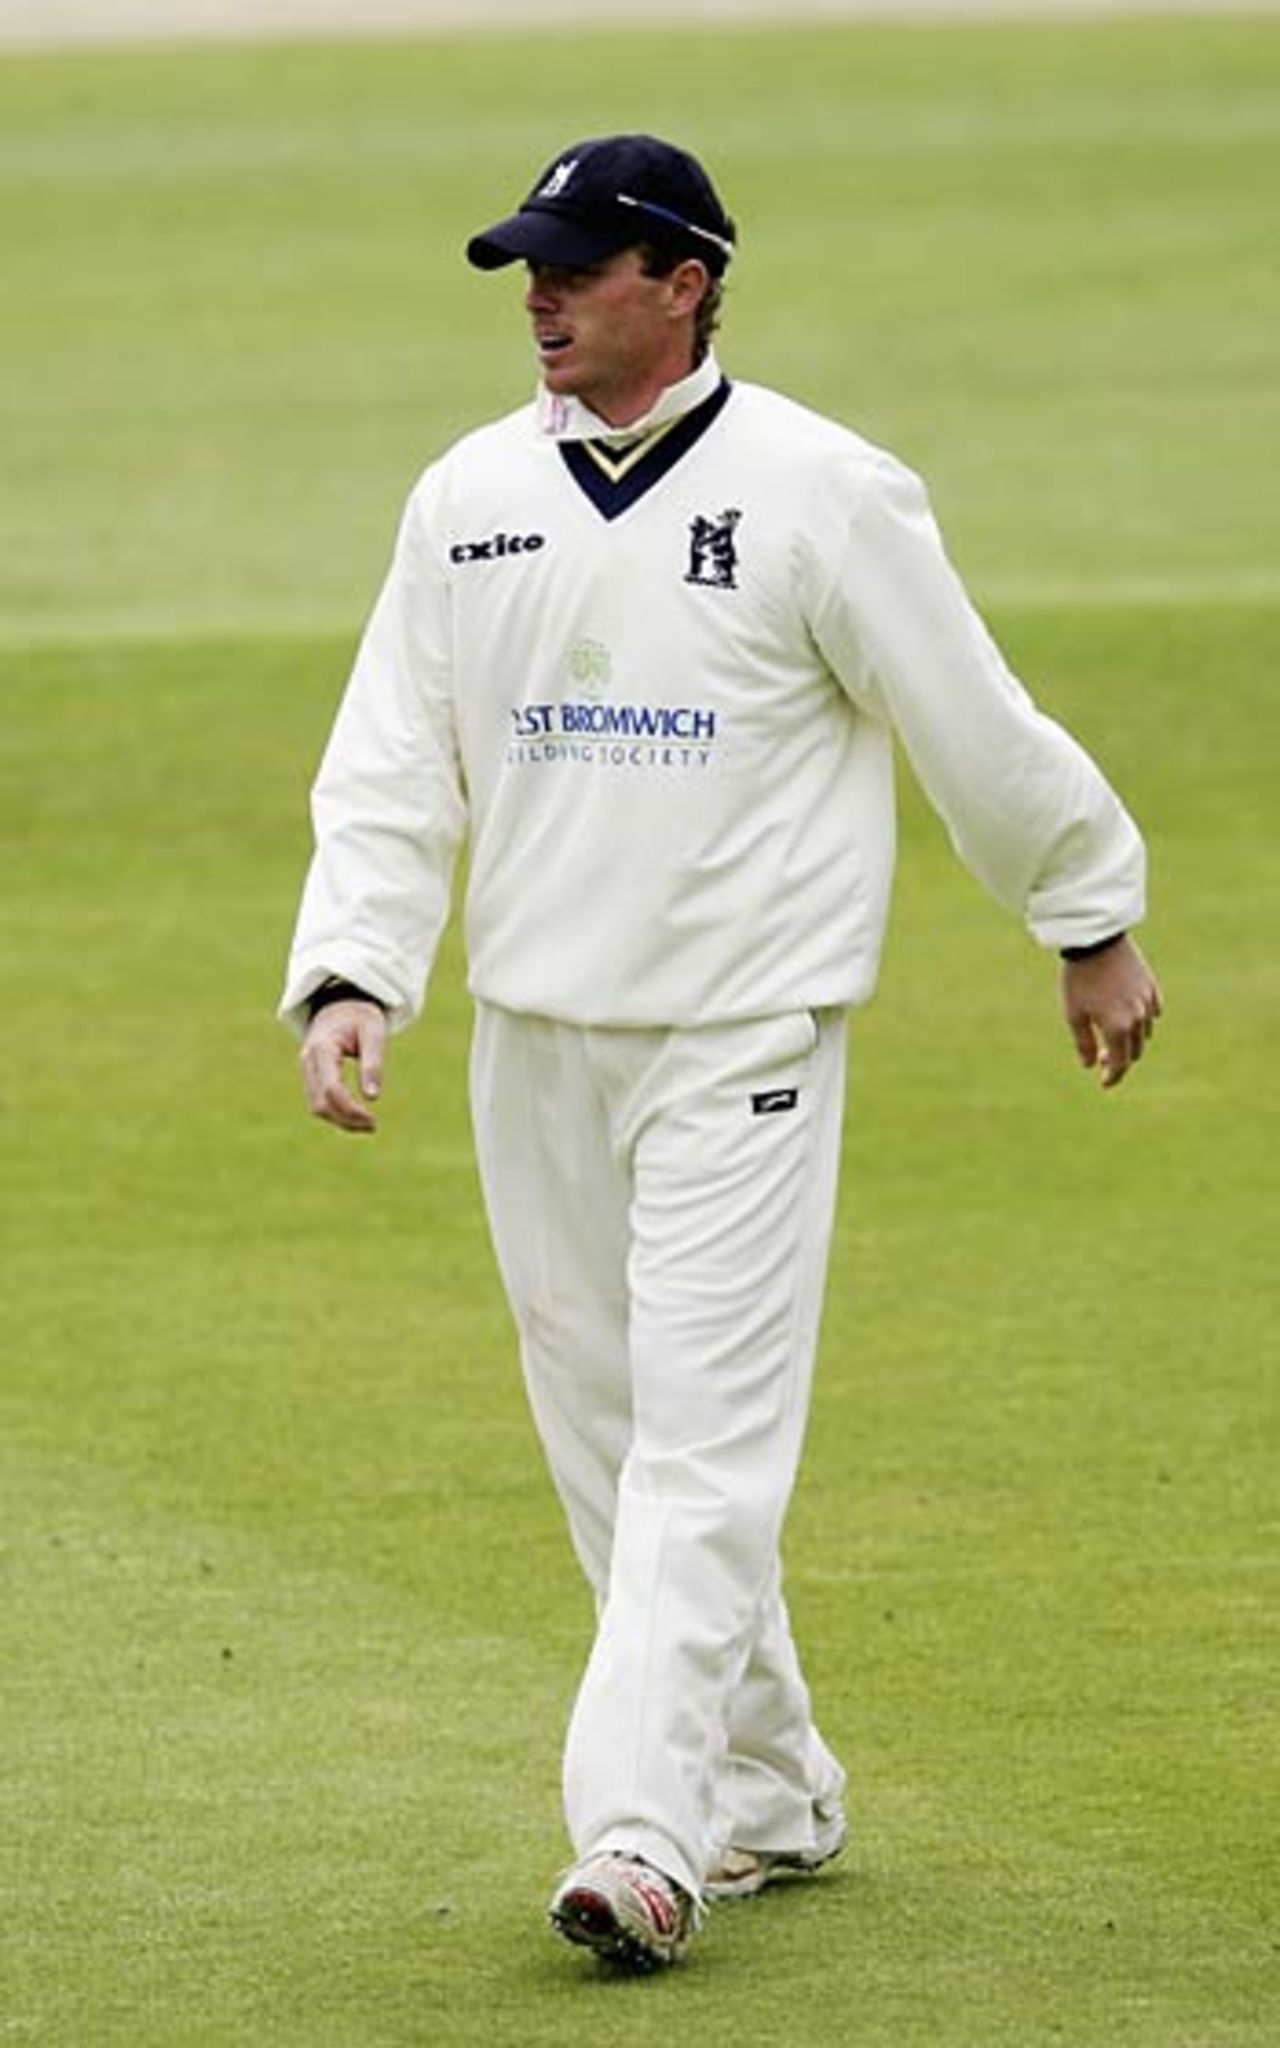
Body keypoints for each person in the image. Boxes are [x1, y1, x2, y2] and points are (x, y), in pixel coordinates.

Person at [279, 133, 1162, 1972]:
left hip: (739, 1039)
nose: (541, 295)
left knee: (698, 1455)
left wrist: (1086, 913)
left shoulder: (821, 491)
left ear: (683, 284)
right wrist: (356, 967)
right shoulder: (468, 495)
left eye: (579, 265)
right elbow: (393, 752)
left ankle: (643, 1835)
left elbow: (970, 716)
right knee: (609, 1447)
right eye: (529, 265)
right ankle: (768, 1786)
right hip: (538, 1039)